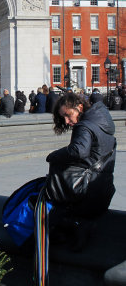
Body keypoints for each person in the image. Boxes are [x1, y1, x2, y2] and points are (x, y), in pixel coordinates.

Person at [47, 93, 116, 250]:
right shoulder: (101, 121)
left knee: (49, 209)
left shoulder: (84, 126)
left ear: (79, 107)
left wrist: (54, 156)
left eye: (68, 115)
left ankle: (77, 227)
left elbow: (79, 150)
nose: (67, 121)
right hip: (103, 191)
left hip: (87, 193)